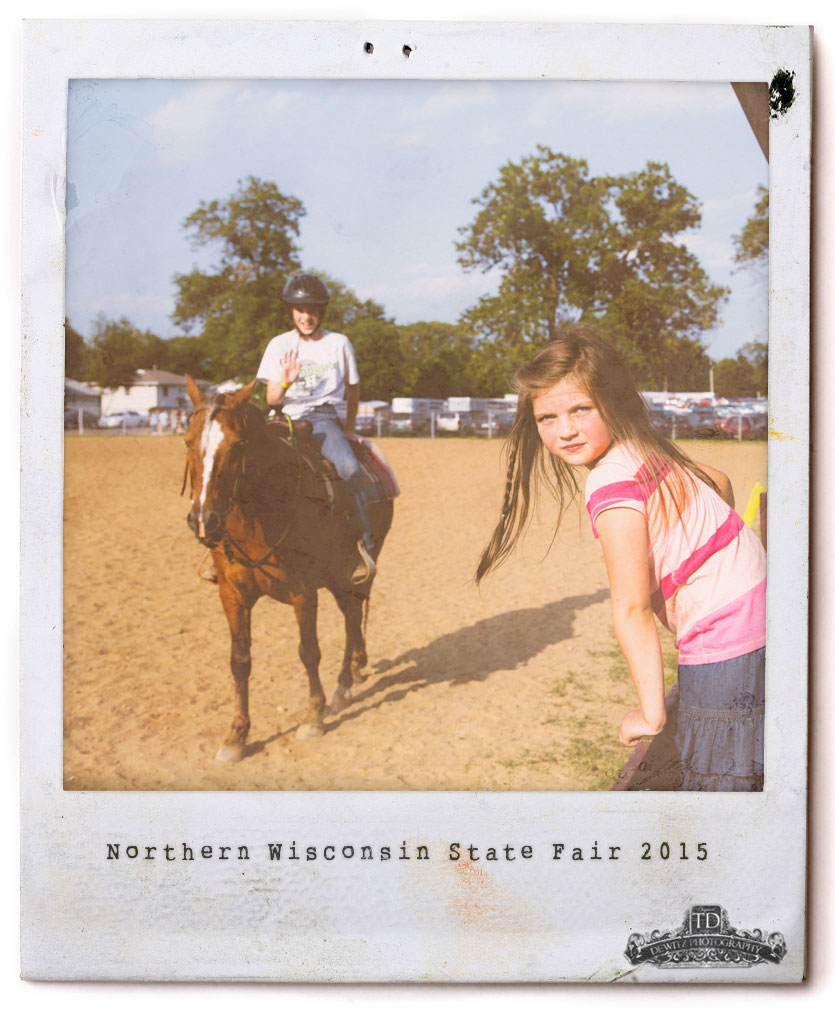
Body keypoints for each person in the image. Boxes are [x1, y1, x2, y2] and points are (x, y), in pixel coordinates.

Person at [476, 325, 766, 791]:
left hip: (727, 644)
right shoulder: (645, 450)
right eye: (547, 417)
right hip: (761, 616)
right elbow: (720, 479)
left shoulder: (609, 484)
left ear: (612, 403)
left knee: (719, 792)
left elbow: (629, 608)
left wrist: (651, 714)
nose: (564, 430)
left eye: (580, 410)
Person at [257, 273, 376, 584]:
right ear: (291, 312)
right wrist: (285, 380)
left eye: (312, 310)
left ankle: (363, 545)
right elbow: (271, 397)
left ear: (321, 312)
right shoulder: (279, 344)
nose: (306, 317)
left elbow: (353, 389)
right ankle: (225, 545)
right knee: (243, 462)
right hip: (284, 418)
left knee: (349, 469)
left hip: (323, 418)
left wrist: (349, 430)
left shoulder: (339, 344)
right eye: (300, 311)